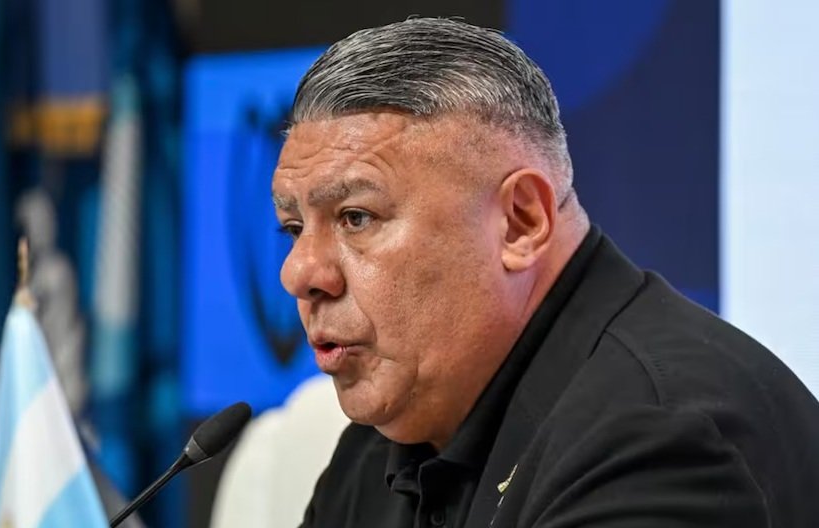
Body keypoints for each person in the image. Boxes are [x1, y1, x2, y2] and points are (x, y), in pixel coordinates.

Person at [271, 17, 819, 528]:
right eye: (294, 228)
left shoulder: (658, 439)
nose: (299, 273)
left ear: (520, 222)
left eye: (356, 217)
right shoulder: (379, 447)